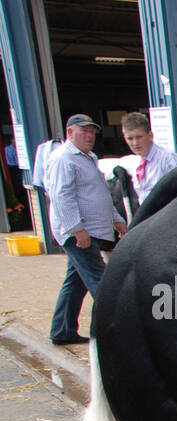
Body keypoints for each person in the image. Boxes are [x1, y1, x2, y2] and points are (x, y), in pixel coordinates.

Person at [45, 114, 126, 345]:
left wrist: (116, 218)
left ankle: (62, 330)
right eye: (84, 131)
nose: (90, 136)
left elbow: (99, 194)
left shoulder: (88, 158)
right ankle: (118, 333)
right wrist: (76, 228)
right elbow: (61, 196)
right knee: (101, 282)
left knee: (75, 283)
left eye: (92, 131)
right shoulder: (64, 158)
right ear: (70, 132)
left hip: (91, 231)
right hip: (80, 233)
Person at [121, 112, 177, 207]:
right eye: (130, 138)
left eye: (139, 137)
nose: (135, 143)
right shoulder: (136, 162)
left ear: (150, 135)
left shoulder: (167, 158)